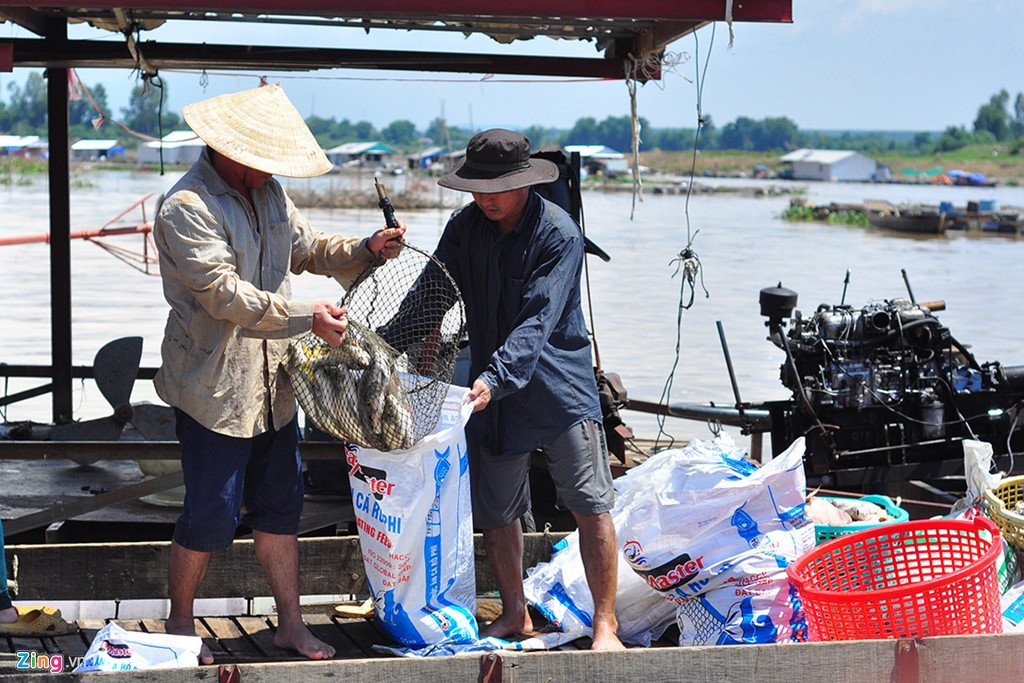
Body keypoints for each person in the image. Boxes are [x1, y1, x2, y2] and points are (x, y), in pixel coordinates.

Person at [152, 83, 405, 663]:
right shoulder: (186, 207)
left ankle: (290, 624)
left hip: (275, 388)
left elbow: (311, 249)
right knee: (210, 511)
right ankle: (180, 624)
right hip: (213, 388)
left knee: (282, 506)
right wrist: (305, 316)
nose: (270, 170)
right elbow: (224, 296)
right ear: (228, 150)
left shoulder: (269, 194)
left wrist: (366, 246)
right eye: (262, 160)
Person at [434, 129, 624, 650]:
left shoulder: (558, 233)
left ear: (524, 182)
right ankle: (515, 612)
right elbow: (431, 294)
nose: (486, 197)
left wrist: (493, 379)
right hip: (491, 388)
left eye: (497, 186)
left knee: (589, 502)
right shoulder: (464, 227)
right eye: (477, 186)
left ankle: (605, 623)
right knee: (497, 509)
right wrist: (393, 347)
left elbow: (536, 323)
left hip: (558, 385)